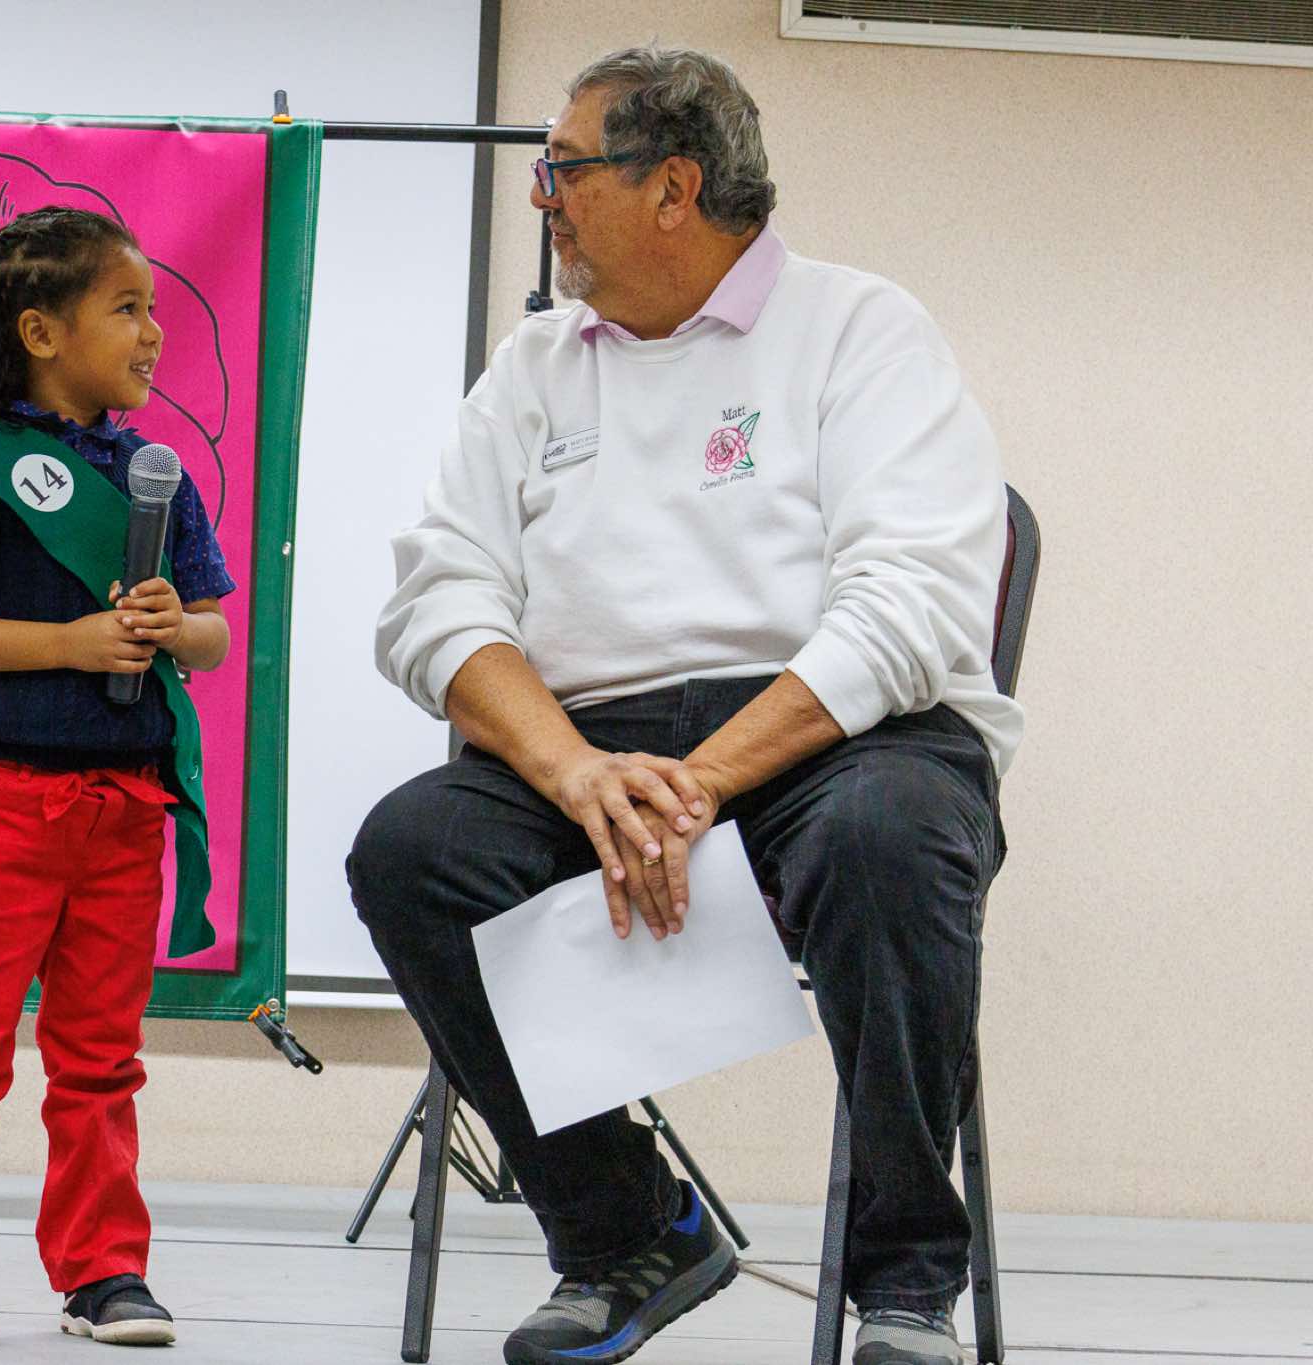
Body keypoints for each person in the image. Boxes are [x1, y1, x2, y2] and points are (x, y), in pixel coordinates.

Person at [348, 45, 1019, 1365]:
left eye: (564, 169)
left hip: (832, 741)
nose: (541, 196)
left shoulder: (859, 328)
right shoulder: (535, 366)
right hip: (590, 755)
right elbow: (436, 601)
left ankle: (902, 1281)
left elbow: (912, 607)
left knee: (886, 839)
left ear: (673, 186)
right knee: (412, 851)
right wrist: (575, 773)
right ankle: (627, 1233)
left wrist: (703, 780)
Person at [0, 206, 235, 1347]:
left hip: (125, 811)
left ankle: (103, 1269)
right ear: (40, 332)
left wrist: (175, 626)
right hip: (2, 803)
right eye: (125, 309)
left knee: (102, 1059)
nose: (152, 332)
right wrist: (70, 644)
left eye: (153, 310)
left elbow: (216, 633)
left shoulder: (156, 477)